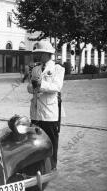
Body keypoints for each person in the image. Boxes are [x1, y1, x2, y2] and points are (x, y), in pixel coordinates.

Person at [27, 40, 65, 170]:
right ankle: (39, 166)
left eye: (41, 53)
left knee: (51, 140)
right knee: (36, 141)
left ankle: (52, 166)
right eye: (38, 53)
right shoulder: (36, 69)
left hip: (49, 112)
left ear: (48, 54)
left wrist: (41, 85)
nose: (39, 56)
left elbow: (57, 87)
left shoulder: (57, 68)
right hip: (36, 111)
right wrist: (33, 87)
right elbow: (29, 87)